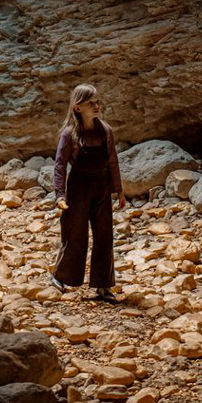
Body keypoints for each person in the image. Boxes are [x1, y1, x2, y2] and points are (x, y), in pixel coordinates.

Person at [49, 83, 127, 302]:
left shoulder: (106, 131)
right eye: (90, 102)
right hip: (78, 189)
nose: (96, 106)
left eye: (97, 101)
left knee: (104, 236)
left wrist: (118, 190)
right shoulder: (69, 134)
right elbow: (60, 166)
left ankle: (103, 286)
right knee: (75, 235)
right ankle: (61, 277)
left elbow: (113, 160)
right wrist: (60, 195)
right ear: (77, 108)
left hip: (101, 188)